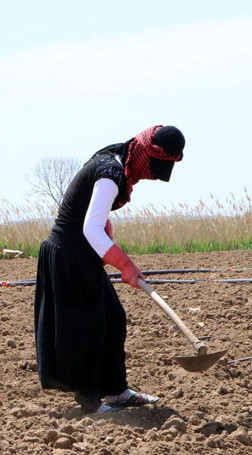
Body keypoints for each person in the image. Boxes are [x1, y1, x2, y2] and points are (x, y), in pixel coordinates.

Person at [34, 125, 185, 414]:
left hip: (82, 254)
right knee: (86, 328)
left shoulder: (120, 161)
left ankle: (116, 392)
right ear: (144, 155)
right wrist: (125, 264)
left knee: (113, 317)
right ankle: (90, 401)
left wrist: (108, 232)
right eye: (153, 169)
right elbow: (90, 228)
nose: (151, 176)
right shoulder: (110, 174)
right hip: (69, 255)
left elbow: (95, 216)